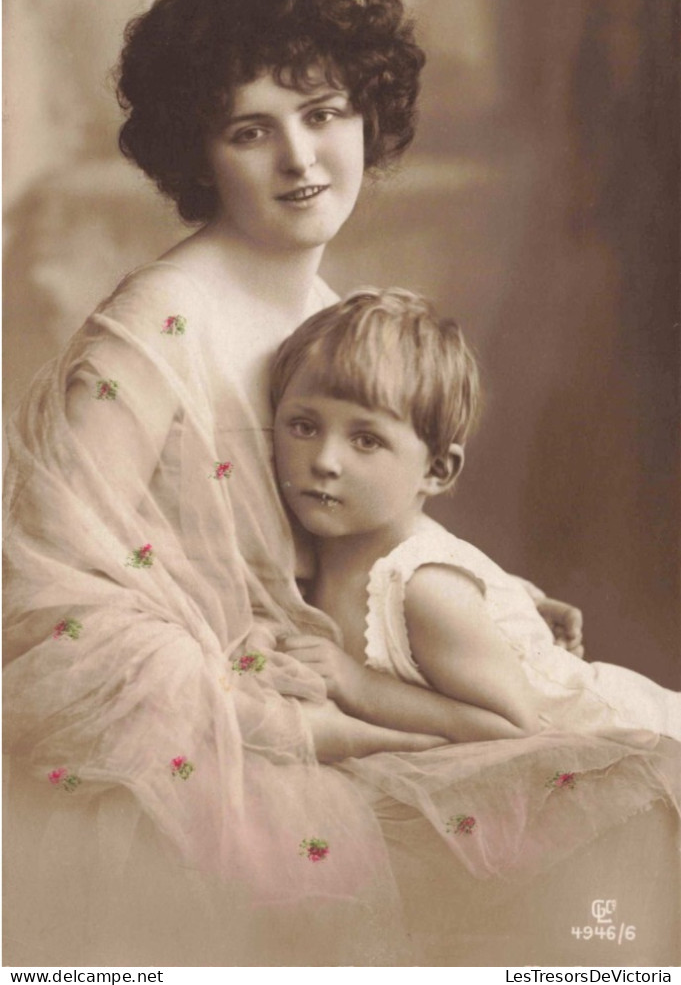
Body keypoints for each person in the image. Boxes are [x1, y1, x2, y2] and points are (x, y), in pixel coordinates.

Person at [3, 0, 591, 968]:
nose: (301, 158)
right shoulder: (150, 327)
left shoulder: (333, 313)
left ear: (369, 116)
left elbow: (350, 530)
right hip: (206, 746)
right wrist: (288, 717)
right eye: (250, 130)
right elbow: (34, 596)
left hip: (323, 692)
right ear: (200, 151)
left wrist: (487, 590)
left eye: (323, 114)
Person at [271, 287, 681, 747]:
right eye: (303, 427)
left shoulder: (427, 588)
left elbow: (513, 726)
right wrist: (517, 601)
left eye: (366, 440)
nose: (325, 460)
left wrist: (358, 685)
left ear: (436, 470)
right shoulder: (324, 543)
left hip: (623, 744)